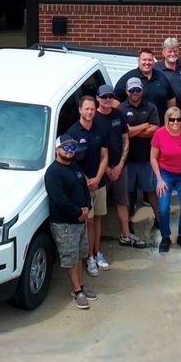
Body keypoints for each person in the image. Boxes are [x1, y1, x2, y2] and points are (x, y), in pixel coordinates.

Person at [46, 134, 97, 309]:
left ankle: (81, 286)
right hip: (65, 224)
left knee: (79, 255)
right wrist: (77, 213)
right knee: (70, 258)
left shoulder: (75, 166)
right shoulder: (53, 172)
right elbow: (59, 199)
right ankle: (77, 291)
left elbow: (84, 188)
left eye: (72, 147)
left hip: (80, 220)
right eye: (66, 147)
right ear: (57, 149)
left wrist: (87, 208)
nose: (69, 151)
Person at [117, 76, 161, 248]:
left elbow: (155, 130)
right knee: (127, 195)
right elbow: (124, 133)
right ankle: (127, 225)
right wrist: (144, 126)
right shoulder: (121, 109)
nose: (135, 93)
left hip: (146, 159)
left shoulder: (151, 107)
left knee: (151, 191)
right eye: (132, 90)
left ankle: (159, 219)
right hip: (127, 160)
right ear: (127, 91)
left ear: (142, 90)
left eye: (138, 90)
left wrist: (132, 130)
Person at [150, 106, 181, 254]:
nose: (175, 122)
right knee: (163, 208)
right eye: (172, 119)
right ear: (167, 120)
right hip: (165, 173)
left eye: (178, 119)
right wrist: (159, 179)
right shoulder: (159, 134)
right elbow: (153, 157)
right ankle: (166, 236)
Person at [70, 95, 111, 276]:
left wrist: (97, 177)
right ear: (80, 110)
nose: (89, 112)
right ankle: (89, 258)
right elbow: (71, 161)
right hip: (82, 187)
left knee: (99, 219)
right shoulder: (72, 133)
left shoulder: (100, 130)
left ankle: (96, 252)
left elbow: (105, 157)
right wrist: (87, 179)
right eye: (86, 109)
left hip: (99, 183)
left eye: (92, 109)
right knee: (89, 222)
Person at [95, 85, 129, 264]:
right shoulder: (94, 118)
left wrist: (121, 164)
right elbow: (96, 149)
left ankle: (126, 235)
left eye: (110, 96)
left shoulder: (119, 115)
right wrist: (107, 169)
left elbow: (125, 139)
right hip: (102, 170)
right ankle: (96, 250)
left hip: (120, 167)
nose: (108, 99)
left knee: (123, 202)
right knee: (99, 212)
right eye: (104, 96)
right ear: (98, 98)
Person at [158, 37, 181, 124]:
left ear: (179, 51)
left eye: (175, 51)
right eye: (169, 51)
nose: (172, 54)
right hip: (163, 111)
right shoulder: (156, 68)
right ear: (163, 52)